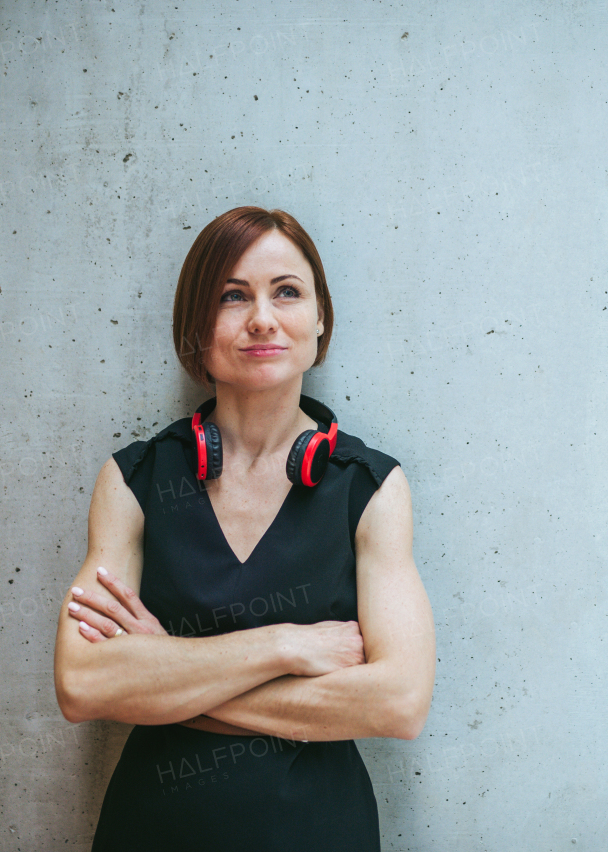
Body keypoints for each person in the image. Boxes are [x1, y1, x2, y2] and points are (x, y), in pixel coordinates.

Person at [52, 206, 436, 850]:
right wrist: (284, 646)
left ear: (319, 317)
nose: (262, 317)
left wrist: (167, 669)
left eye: (287, 291)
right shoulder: (135, 480)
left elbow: (398, 704)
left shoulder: (370, 488)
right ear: (197, 324)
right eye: (233, 296)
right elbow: (83, 684)